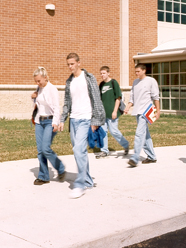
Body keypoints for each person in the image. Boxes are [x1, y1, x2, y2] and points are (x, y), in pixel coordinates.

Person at [59, 53, 105, 199]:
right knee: (80, 152)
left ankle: (80, 185)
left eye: (72, 64)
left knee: (78, 150)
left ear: (79, 63)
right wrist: (62, 119)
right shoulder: (69, 81)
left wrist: (96, 121)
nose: (70, 67)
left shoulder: (89, 78)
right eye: (68, 64)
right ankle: (89, 182)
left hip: (86, 118)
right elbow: (67, 102)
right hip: (73, 120)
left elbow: (97, 100)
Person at [31, 67, 65, 185]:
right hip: (40, 122)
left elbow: (56, 107)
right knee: (40, 151)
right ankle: (44, 176)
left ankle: (60, 168)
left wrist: (55, 122)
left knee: (45, 148)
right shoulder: (38, 88)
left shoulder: (52, 89)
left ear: (45, 78)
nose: (37, 83)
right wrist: (33, 98)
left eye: (39, 80)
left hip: (50, 122)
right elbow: (39, 105)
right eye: (36, 81)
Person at [124, 64, 160, 167]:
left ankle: (135, 158)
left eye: (138, 71)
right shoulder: (135, 82)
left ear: (144, 71)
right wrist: (128, 107)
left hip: (147, 110)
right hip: (138, 111)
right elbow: (132, 97)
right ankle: (152, 156)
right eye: (135, 71)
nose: (136, 73)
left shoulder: (151, 81)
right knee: (145, 135)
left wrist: (158, 111)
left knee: (139, 134)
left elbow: (156, 97)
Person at [97, 66, 129, 157]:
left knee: (114, 131)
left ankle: (125, 145)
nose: (102, 75)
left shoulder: (113, 83)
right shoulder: (101, 84)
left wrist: (114, 111)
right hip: (103, 114)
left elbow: (118, 98)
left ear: (108, 73)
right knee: (103, 132)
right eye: (101, 73)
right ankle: (104, 151)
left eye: (103, 73)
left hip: (112, 113)